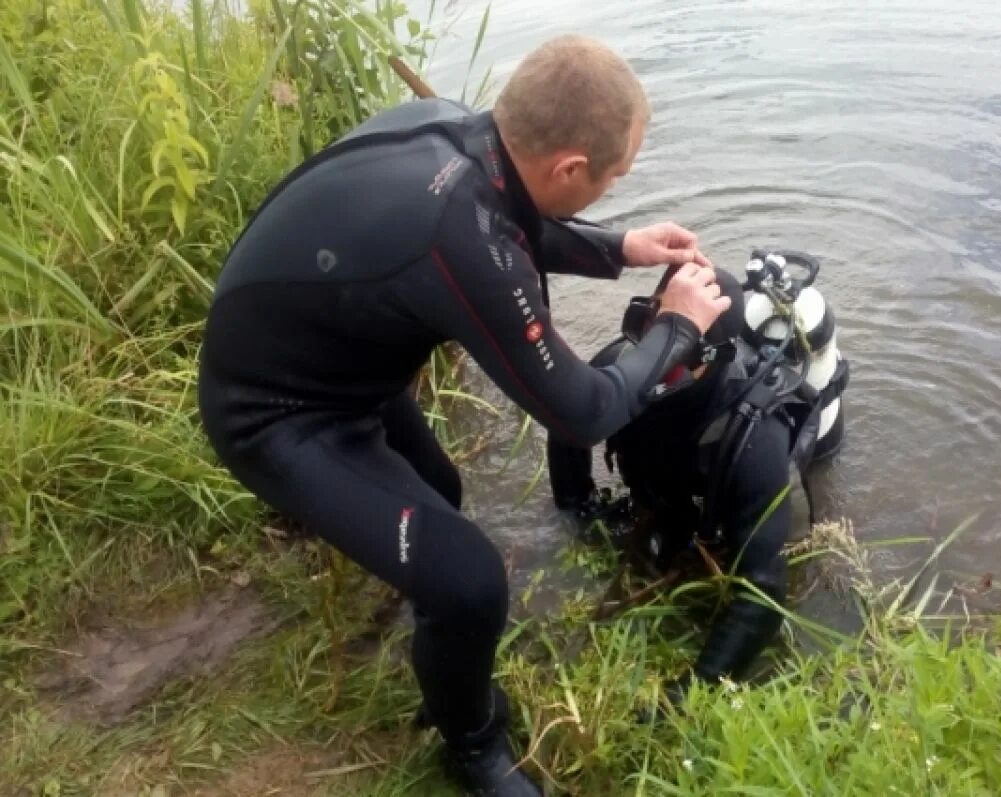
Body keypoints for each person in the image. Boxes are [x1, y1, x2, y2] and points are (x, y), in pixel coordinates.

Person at [196, 35, 730, 796]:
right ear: (571, 167)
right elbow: (584, 413)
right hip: (274, 412)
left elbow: (507, 218)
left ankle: (433, 628)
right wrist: (679, 325)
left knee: (439, 489)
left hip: (325, 361)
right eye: (613, 179)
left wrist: (620, 247)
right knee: (472, 581)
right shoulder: (458, 233)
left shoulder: (455, 130)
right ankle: (472, 745)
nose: (613, 188)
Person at [547, 261, 848, 705]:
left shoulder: (755, 437)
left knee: (791, 531)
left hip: (727, 478)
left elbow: (762, 595)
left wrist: (689, 694)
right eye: (658, 330)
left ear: (717, 354)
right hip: (675, 478)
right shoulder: (620, 364)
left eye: (682, 349)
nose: (659, 358)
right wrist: (580, 510)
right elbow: (567, 422)